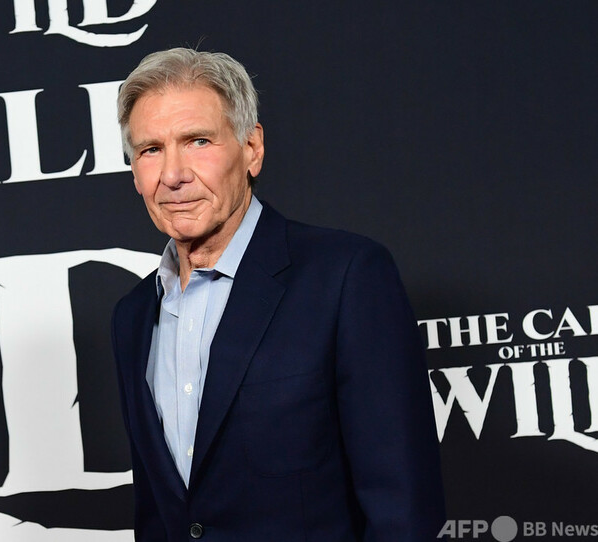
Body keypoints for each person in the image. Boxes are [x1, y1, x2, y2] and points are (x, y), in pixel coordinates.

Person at [111, 47, 445, 541]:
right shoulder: (133, 317)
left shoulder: (345, 277)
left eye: (198, 141)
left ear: (252, 148)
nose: (174, 175)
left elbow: (404, 509)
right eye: (150, 150)